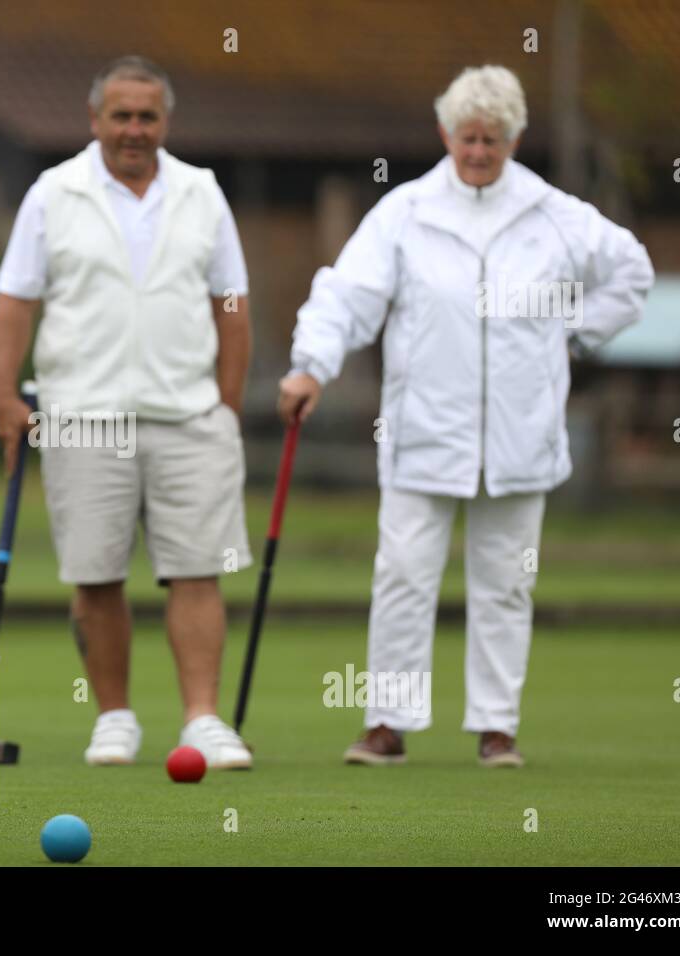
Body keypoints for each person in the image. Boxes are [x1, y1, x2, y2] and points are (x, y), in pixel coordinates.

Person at [279, 65, 653, 767]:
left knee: (507, 583)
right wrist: (311, 364)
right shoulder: (405, 213)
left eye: (493, 138)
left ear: (514, 138)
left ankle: (496, 725)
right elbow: (345, 296)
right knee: (402, 576)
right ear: (445, 133)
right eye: (467, 137)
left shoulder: (555, 215)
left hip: (521, 437)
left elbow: (632, 273)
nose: (479, 151)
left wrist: (574, 331)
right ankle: (388, 723)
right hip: (422, 432)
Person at [0, 56, 255, 768]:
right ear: (95, 119)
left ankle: (202, 718)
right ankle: (114, 719)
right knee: (97, 574)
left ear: (165, 122)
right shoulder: (54, 193)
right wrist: (5, 397)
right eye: (121, 116)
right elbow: (15, 305)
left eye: (148, 117)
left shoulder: (202, 192)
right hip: (82, 412)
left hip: (189, 415)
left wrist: (225, 410)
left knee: (198, 569)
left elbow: (232, 308)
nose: (134, 129)